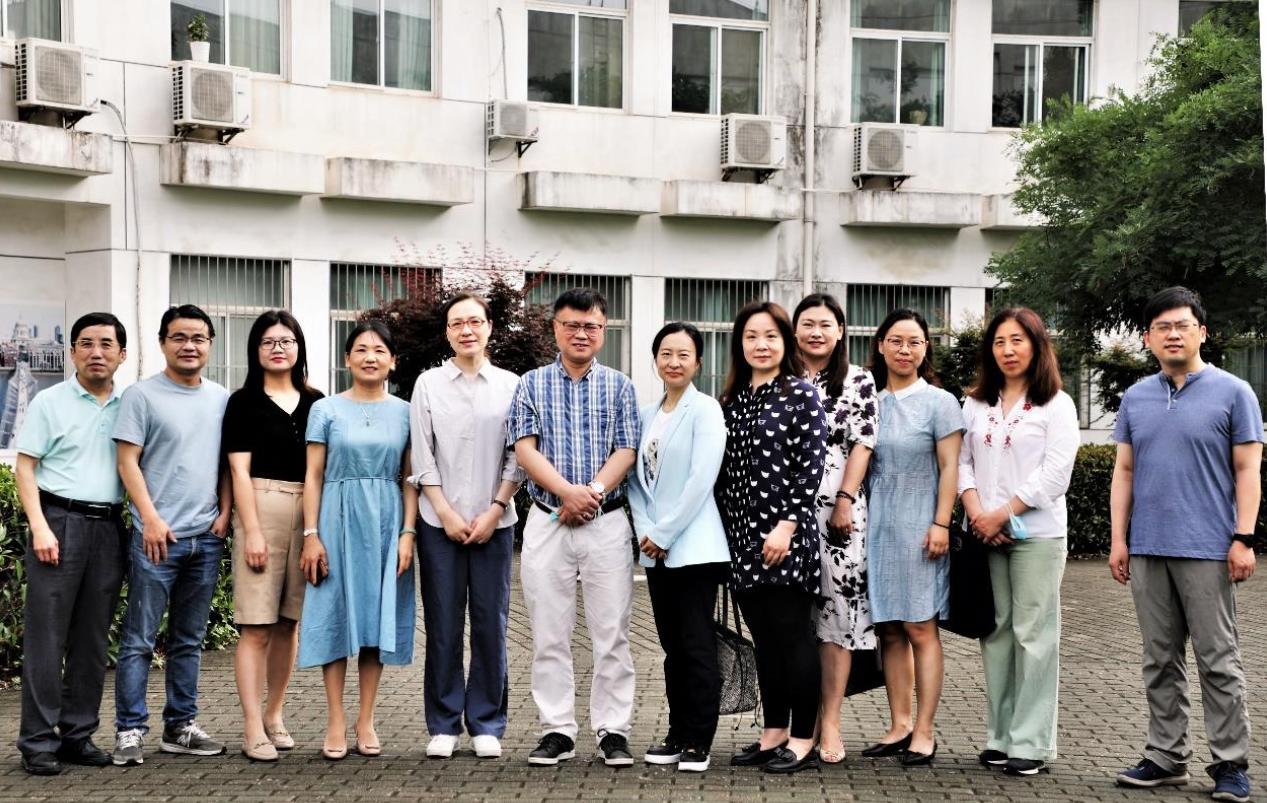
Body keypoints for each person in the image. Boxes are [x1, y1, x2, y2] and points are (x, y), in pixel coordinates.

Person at [1110, 287, 1262, 803]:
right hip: (1148, 547)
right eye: (1162, 327)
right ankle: (1166, 756)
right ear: (1148, 338)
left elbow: (1248, 470)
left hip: (1209, 548)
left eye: (1182, 325)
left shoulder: (1234, 392)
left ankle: (1230, 764)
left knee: (1218, 659)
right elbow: (1124, 471)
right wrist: (1119, 539)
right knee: (1159, 659)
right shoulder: (1136, 397)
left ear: (1202, 332)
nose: (1172, 334)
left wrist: (1243, 538)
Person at [508, 287, 641, 768]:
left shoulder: (620, 386)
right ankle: (557, 729)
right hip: (547, 519)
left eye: (591, 326)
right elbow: (524, 449)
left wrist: (592, 493)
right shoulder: (530, 384)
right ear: (556, 329)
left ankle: (613, 730)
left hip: (606, 521)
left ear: (603, 331)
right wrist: (567, 493)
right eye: (572, 325)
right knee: (549, 631)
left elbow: (626, 449)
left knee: (612, 632)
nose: (581, 333)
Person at [958, 307, 1079, 777]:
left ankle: (1031, 743)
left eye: (1017, 340)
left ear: (1037, 345)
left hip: (1037, 536)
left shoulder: (1056, 404)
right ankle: (1001, 737)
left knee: (1034, 635)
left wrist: (1003, 512)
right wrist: (977, 513)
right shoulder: (975, 403)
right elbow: (962, 463)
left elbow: (1056, 474)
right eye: (999, 342)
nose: (1008, 350)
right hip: (986, 533)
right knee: (996, 634)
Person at [112, 304, 232, 766]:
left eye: (198, 338)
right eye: (179, 337)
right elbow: (127, 461)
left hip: (205, 538)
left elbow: (227, 463)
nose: (189, 346)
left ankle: (179, 726)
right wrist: (150, 518)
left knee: (189, 639)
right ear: (163, 342)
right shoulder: (141, 396)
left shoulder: (220, 398)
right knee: (140, 639)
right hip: (155, 538)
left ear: (210, 345)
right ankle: (129, 730)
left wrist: (225, 512)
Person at [13, 313, 129, 776]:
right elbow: (25, 467)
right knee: (47, 638)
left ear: (122, 354)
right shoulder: (50, 401)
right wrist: (40, 526)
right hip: (58, 522)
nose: (96, 352)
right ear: (73, 351)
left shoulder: (130, 405)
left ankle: (77, 736)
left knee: (92, 640)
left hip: (109, 527)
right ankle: (37, 742)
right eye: (86, 344)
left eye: (106, 344)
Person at [409, 293, 522, 760]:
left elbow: (519, 454)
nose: (467, 330)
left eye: (475, 321)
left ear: (489, 327)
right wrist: (445, 512)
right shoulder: (428, 384)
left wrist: (496, 508)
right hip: (440, 523)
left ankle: (487, 722)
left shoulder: (513, 385)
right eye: (457, 323)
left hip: (496, 521)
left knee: (491, 624)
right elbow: (422, 456)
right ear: (447, 333)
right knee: (443, 624)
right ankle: (443, 723)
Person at [715, 301, 827, 775]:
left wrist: (786, 526)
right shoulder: (732, 401)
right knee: (764, 641)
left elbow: (811, 467)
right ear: (739, 344)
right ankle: (773, 732)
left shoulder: (801, 395)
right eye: (751, 337)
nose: (760, 345)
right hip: (741, 539)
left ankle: (803, 739)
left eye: (770, 336)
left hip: (785, 538)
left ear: (786, 342)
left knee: (794, 639)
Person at [298, 320, 416, 761]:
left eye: (380, 350)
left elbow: (410, 478)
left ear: (393, 361)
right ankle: (335, 718)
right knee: (335, 614)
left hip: (386, 521)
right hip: (336, 517)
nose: (370, 357)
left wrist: (408, 533)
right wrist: (311, 534)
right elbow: (313, 475)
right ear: (347, 358)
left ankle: (366, 718)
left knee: (374, 618)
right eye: (361, 349)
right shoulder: (325, 409)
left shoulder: (406, 412)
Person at [861, 308, 962, 768]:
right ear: (881, 345)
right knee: (888, 628)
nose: (905, 350)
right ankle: (899, 724)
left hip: (922, 526)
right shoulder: (868, 400)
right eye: (897, 341)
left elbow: (950, 467)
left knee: (921, 626)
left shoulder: (940, 402)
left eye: (915, 342)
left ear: (926, 349)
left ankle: (925, 729)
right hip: (877, 527)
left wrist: (941, 522)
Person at [628, 322, 730, 773]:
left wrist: (664, 534)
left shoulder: (705, 410)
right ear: (655, 361)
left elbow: (701, 480)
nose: (674, 362)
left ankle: (698, 740)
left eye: (683, 355)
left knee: (696, 645)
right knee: (672, 648)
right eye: (666, 354)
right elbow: (635, 481)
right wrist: (646, 533)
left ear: (698, 363)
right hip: (656, 551)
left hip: (695, 549)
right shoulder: (645, 414)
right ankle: (676, 732)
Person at [222, 310, 323, 762]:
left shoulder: (317, 402)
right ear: (255, 350)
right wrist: (253, 533)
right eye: (268, 342)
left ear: (299, 348)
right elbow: (238, 471)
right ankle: (250, 726)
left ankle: (274, 714)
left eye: (286, 341)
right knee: (256, 625)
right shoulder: (242, 402)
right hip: (261, 505)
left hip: (309, 510)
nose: (278, 348)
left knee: (288, 623)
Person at [792, 294, 878, 765]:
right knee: (793, 618)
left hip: (838, 509)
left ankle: (830, 723)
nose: (816, 332)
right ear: (795, 329)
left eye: (825, 324)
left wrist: (845, 499)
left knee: (837, 617)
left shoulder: (858, 379)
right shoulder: (783, 376)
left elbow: (863, 443)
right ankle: (793, 725)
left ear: (840, 331)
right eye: (808, 323)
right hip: (786, 509)